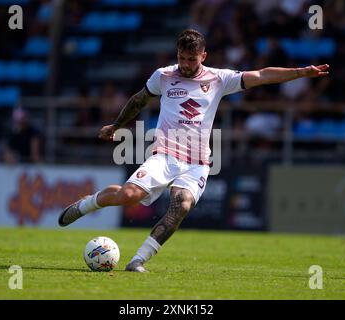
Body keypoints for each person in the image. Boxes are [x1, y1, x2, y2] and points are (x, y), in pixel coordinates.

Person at [58, 29, 330, 272]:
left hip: (197, 162)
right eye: (182, 58)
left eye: (192, 59)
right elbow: (139, 100)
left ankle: (138, 260)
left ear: (203, 55)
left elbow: (260, 76)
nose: (186, 65)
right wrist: (116, 125)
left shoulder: (219, 79)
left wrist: (299, 73)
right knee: (129, 195)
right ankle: (87, 203)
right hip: (165, 154)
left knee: (182, 205)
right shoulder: (163, 76)